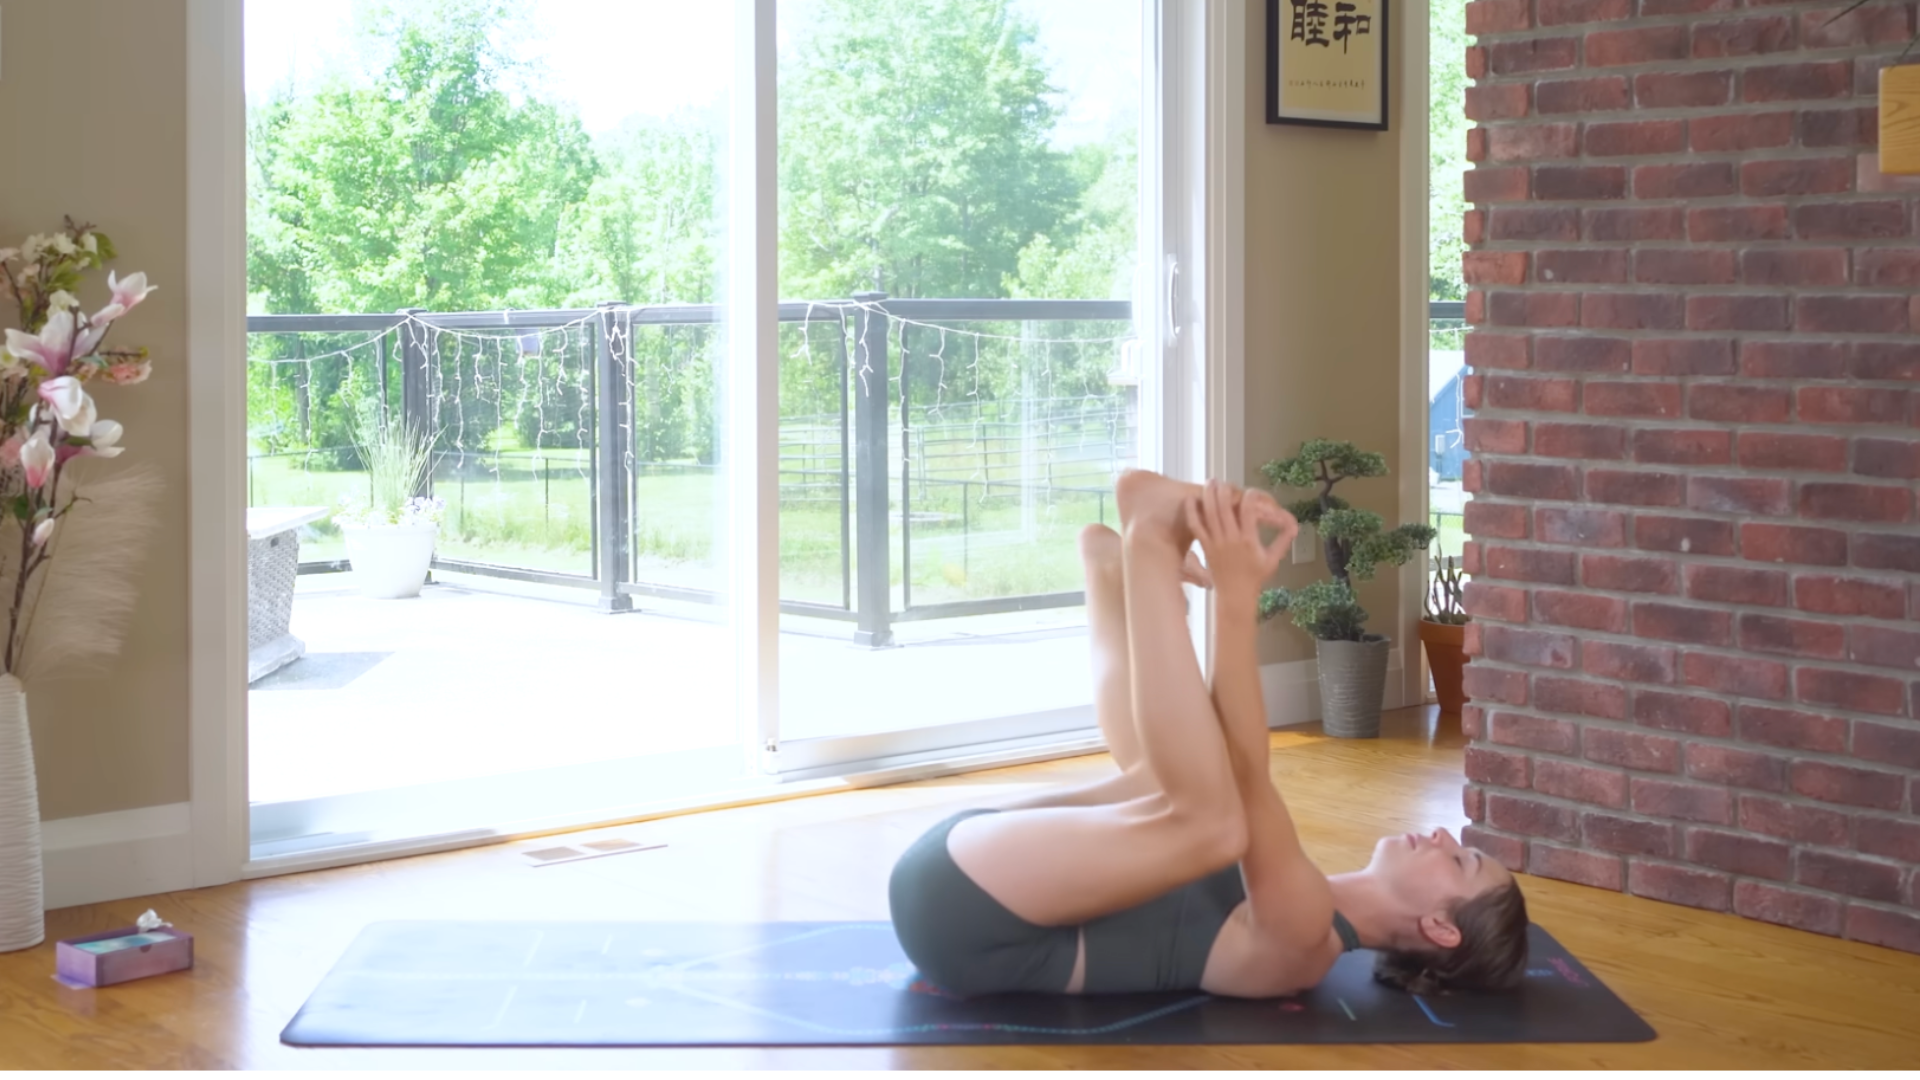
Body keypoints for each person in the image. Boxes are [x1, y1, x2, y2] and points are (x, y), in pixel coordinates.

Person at [888, 469, 1528, 998]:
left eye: (1463, 860)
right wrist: (1226, 595)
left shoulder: (1307, 943)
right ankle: (1114, 572)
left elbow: (1249, 778)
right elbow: (1238, 759)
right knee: (1177, 785)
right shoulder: (1307, 893)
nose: (1446, 835)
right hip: (969, 875)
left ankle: (1145, 546)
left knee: (1217, 825)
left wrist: (1236, 596)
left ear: (1441, 929)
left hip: (967, 920)